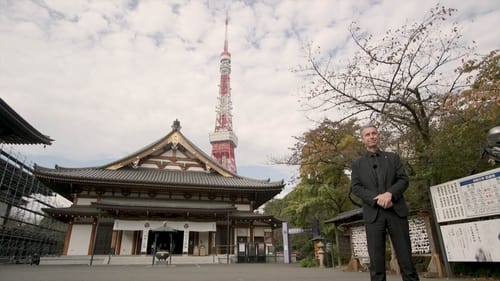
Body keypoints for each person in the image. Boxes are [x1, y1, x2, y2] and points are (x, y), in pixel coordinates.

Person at [351, 124, 419, 281]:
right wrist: (377, 199)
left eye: (374, 133)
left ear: (378, 135)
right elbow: (356, 187)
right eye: (367, 135)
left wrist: (390, 194)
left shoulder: (393, 158)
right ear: (363, 139)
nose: (371, 136)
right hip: (374, 215)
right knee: (376, 262)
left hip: (396, 210)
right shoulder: (358, 164)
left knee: (406, 260)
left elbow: (403, 179)